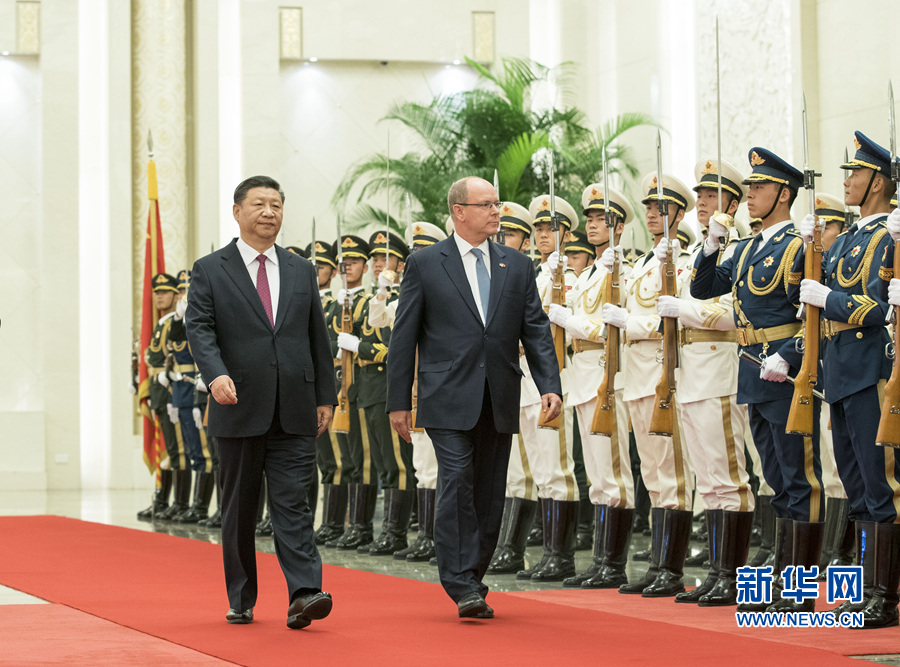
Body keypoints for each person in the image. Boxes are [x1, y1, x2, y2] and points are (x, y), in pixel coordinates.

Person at [387, 176, 562, 618]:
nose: (496, 211)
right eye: (486, 204)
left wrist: (550, 385)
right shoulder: (426, 263)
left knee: (489, 491)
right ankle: (459, 581)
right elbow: (403, 337)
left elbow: (536, 330)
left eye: (497, 204)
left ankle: (473, 576)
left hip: (498, 394)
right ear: (459, 211)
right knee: (457, 480)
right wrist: (398, 402)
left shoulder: (516, 265)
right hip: (445, 396)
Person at [185, 175, 337, 629]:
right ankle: (241, 596)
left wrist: (325, 395)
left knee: (294, 504)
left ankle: (304, 593)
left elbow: (316, 336)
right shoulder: (211, 269)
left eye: (276, 204)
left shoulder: (300, 269)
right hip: (238, 405)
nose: (269, 212)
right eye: (259, 204)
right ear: (237, 212)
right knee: (240, 509)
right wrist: (215, 375)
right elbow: (200, 329)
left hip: (295, 407)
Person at [691, 148, 825, 613]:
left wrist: (790, 356)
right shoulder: (747, 247)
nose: (749, 194)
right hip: (751, 370)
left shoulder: (798, 245)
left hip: (786, 374)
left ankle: (800, 590)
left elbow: (814, 317)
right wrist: (712, 244)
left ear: (783, 194)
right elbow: (703, 288)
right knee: (776, 480)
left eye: (760, 187)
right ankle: (784, 583)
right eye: (749, 187)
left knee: (799, 479)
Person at [798, 132, 897, 627]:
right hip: (839, 370)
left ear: (877, 181)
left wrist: (828, 300)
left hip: (869, 368)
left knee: (881, 483)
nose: (847, 181)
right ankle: (863, 588)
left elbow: (879, 309)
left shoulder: (888, 236)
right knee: (854, 484)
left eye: (855, 172)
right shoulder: (850, 239)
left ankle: (885, 594)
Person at [662, 158, 755, 606]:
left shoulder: (740, 249)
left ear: (732, 205)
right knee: (708, 479)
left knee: (728, 476)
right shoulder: (702, 251)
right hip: (690, 373)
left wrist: (686, 310)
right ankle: (718, 573)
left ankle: (731, 575)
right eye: (699, 195)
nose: (701, 201)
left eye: (712, 195)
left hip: (719, 371)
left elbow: (737, 310)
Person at [604, 174, 696, 598]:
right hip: (636, 377)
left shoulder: (685, 261)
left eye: (662, 208)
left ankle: (671, 568)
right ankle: (658, 563)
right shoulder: (643, 263)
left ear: (679, 212)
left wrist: (631, 323)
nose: (653, 214)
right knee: (652, 473)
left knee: (672, 472)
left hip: (664, 375)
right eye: (649, 207)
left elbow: (670, 320)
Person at [548, 182, 637, 590]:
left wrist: (571, 321)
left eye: (603, 219)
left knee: (613, 471)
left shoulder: (624, 272)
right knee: (598, 474)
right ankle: (601, 560)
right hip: (582, 375)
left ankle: (613, 564)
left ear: (619, 227)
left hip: (607, 374)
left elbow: (611, 328)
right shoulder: (586, 275)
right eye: (591, 219)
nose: (594, 225)